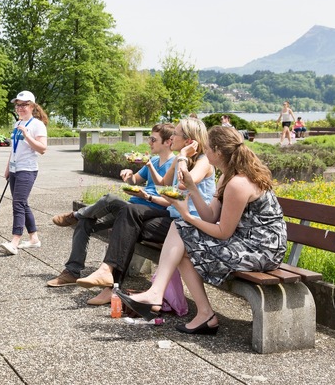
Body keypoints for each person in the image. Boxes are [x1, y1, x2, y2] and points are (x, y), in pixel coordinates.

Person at [115, 127, 287, 334]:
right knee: (181, 235)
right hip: (243, 242)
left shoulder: (239, 183)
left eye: (207, 149)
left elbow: (223, 232)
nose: (204, 152)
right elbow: (210, 217)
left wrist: (187, 215)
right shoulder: (226, 178)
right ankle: (199, 311)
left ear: (218, 152)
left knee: (182, 229)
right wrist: (193, 189)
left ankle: (161, 295)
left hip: (261, 251)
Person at [75, 117, 216, 306]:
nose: (172, 137)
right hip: (175, 220)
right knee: (129, 217)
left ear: (189, 141)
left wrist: (181, 156)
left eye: (175, 133)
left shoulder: (203, 161)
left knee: (127, 225)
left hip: (192, 225)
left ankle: (111, 283)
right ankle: (108, 277)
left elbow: (185, 183)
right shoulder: (180, 159)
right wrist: (151, 166)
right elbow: (164, 183)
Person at [47, 123, 176, 297]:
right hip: (131, 209)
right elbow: (134, 182)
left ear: (168, 142)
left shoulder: (173, 165)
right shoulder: (153, 161)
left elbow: (170, 200)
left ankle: (76, 215)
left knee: (109, 199)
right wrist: (128, 175)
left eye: (154, 139)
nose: (149, 142)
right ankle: (72, 271)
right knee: (86, 222)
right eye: (149, 138)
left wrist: (147, 196)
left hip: (147, 211)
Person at [1, 91, 48, 255]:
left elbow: (42, 149)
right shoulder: (17, 124)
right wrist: (8, 168)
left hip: (27, 170)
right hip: (15, 169)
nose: (20, 108)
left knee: (18, 204)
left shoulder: (37, 125)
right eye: (18, 105)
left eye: (24, 104)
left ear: (32, 106)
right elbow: (14, 150)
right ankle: (34, 238)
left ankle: (15, 241)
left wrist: (27, 136)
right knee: (22, 203)